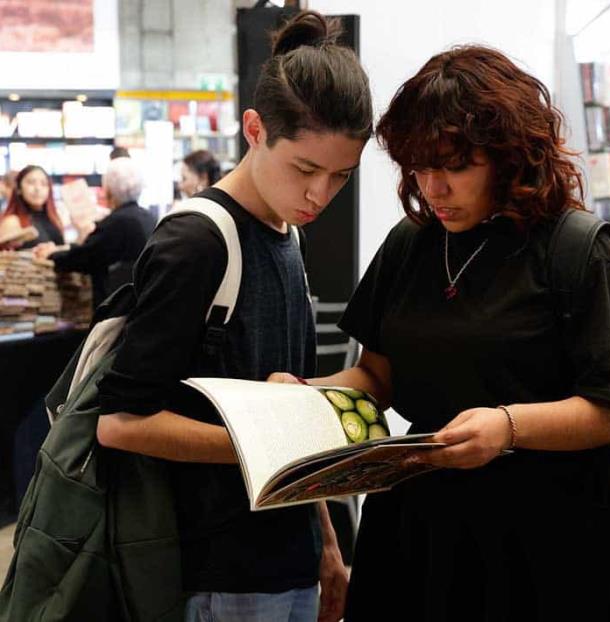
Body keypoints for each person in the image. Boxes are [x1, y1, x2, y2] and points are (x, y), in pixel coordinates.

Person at [271, 45, 610, 621]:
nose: (433, 187)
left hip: (559, 530)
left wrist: (507, 426)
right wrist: (310, 395)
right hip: (426, 526)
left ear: (510, 157)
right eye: (420, 166)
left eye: (456, 166)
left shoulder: (574, 248)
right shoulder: (411, 246)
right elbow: (377, 375)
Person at [93, 11, 372, 622]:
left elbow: (293, 409)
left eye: (340, 178)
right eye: (304, 169)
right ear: (254, 129)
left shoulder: (287, 236)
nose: (319, 195)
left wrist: (327, 548)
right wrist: (271, 447)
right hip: (217, 574)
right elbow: (121, 423)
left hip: (289, 560)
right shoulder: (196, 243)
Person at [34, 157, 157, 307]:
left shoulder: (118, 221)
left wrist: (52, 255)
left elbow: (87, 256)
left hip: (120, 308)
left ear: (109, 191)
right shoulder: (147, 216)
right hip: (144, 301)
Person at [0, 165, 64, 249]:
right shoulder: (12, 221)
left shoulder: (54, 218)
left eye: (44, 184)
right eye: (31, 182)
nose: (37, 188)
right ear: (19, 189)